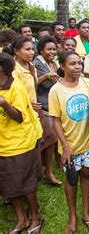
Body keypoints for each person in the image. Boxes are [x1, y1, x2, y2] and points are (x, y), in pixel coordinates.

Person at [49, 51, 89, 233]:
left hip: (88, 142)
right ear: (62, 66)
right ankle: (72, 216)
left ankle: (86, 212)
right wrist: (66, 147)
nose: (78, 67)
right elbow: (55, 120)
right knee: (71, 180)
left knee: (86, 174)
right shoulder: (56, 90)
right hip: (69, 145)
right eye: (72, 64)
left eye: (80, 63)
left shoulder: (88, 83)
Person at [0, 53, 44, 234]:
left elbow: (18, 117)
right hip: (2, 143)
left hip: (20, 142)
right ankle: (21, 218)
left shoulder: (15, 87)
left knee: (25, 183)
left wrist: (4, 103)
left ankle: (36, 217)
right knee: (8, 183)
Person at [33, 37, 62, 186]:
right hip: (42, 106)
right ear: (41, 50)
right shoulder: (37, 63)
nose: (51, 52)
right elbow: (34, 82)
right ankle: (46, 171)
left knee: (51, 139)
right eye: (48, 49)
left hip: (52, 105)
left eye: (53, 49)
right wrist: (47, 75)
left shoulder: (53, 62)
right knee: (50, 138)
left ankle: (48, 168)